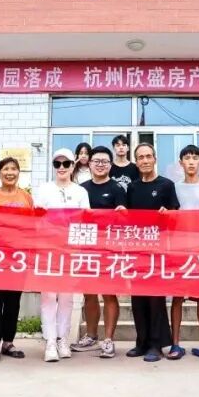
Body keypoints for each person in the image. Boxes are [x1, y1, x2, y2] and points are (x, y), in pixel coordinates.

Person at [34, 148, 92, 362]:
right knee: (48, 297)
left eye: (66, 163)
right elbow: (36, 220)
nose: (61, 168)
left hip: (71, 251)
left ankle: (62, 339)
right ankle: (50, 341)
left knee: (67, 298)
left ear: (72, 165)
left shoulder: (80, 192)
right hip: (47, 250)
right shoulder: (44, 189)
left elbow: (86, 220)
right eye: (57, 164)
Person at [126, 142, 179, 363]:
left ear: (155, 159)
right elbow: (127, 218)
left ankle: (156, 345)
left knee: (156, 299)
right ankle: (142, 342)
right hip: (137, 251)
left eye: (148, 156)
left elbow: (176, 215)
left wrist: (168, 213)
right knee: (137, 299)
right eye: (141, 157)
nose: (145, 160)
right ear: (136, 162)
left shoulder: (166, 185)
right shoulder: (132, 187)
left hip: (159, 251)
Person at [73, 145, 127, 358]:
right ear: (89, 163)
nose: (100, 165)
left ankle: (108, 340)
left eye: (105, 161)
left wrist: (122, 214)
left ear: (110, 165)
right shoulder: (81, 189)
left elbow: (123, 218)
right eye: (96, 161)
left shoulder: (117, 189)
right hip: (86, 247)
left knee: (109, 293)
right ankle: (91, 336)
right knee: (89, 294)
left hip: (109, 249)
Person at [0, 157, 34, 364]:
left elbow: (32, 225)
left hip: (18, 258)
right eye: (5, 169)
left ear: (19, 173)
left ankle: (8, 342)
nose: (10, 172)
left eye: (13, 169)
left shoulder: (26, 197)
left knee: (13, 301)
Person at [171, 144, 199, 360]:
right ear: (181, 163)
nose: (191, 162)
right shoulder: (174, 188)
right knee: (177, 298)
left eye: (195, 158)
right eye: (187, 158)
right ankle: (175, 344)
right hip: (179, 249)